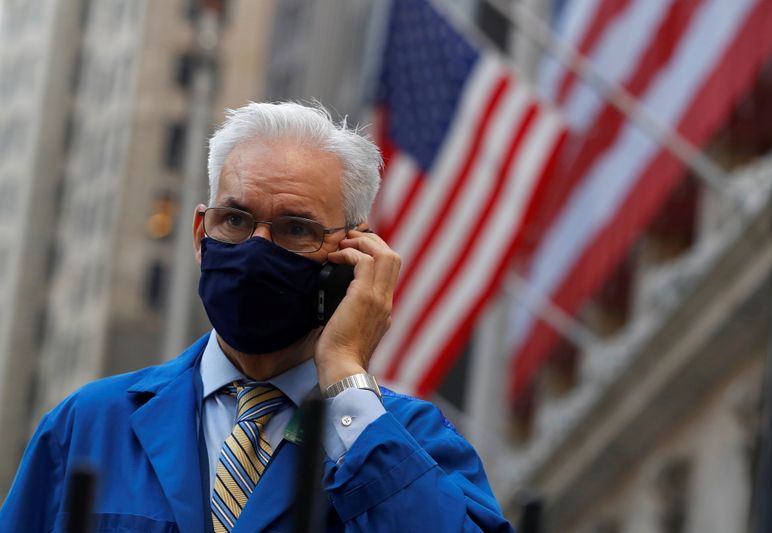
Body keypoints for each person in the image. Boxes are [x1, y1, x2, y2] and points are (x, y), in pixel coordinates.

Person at [0, 102, 511, 532]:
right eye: (235, 220)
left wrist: (347, 379)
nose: (256, 250)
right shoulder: (90, 423)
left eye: (295, 229)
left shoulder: (410, 440)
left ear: (353, 256)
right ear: (202, 234)